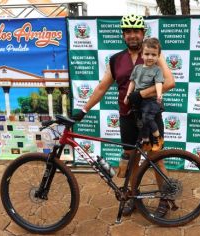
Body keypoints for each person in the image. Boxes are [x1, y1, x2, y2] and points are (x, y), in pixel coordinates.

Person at [72, 14, 175, 216]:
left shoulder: (154, 54)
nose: (132, 35)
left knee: (156, 158)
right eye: (128, 32)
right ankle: (134, 197)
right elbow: (102, 88)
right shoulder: (116, 60)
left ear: (143, 33)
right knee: (132, 159)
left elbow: (170, 83)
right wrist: (83, 110)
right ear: (123, 35)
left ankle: (165, 198)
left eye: (136, 31)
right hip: (127, 118)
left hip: (150, 117)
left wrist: (142, 94)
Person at [124, 37, 164, 152]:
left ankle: (158, 137)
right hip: (138, 101)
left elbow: (158, 83)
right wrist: (128, 95)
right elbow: (132, 82)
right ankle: (146, 141)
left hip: (151, 100)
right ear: (142, 54)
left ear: (158, 56)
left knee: (147, 118)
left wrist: (159, 94)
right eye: (147, 54)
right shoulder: (137, 68)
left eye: (153, 54)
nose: (150, 57)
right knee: (142, 122)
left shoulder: (157, 70)